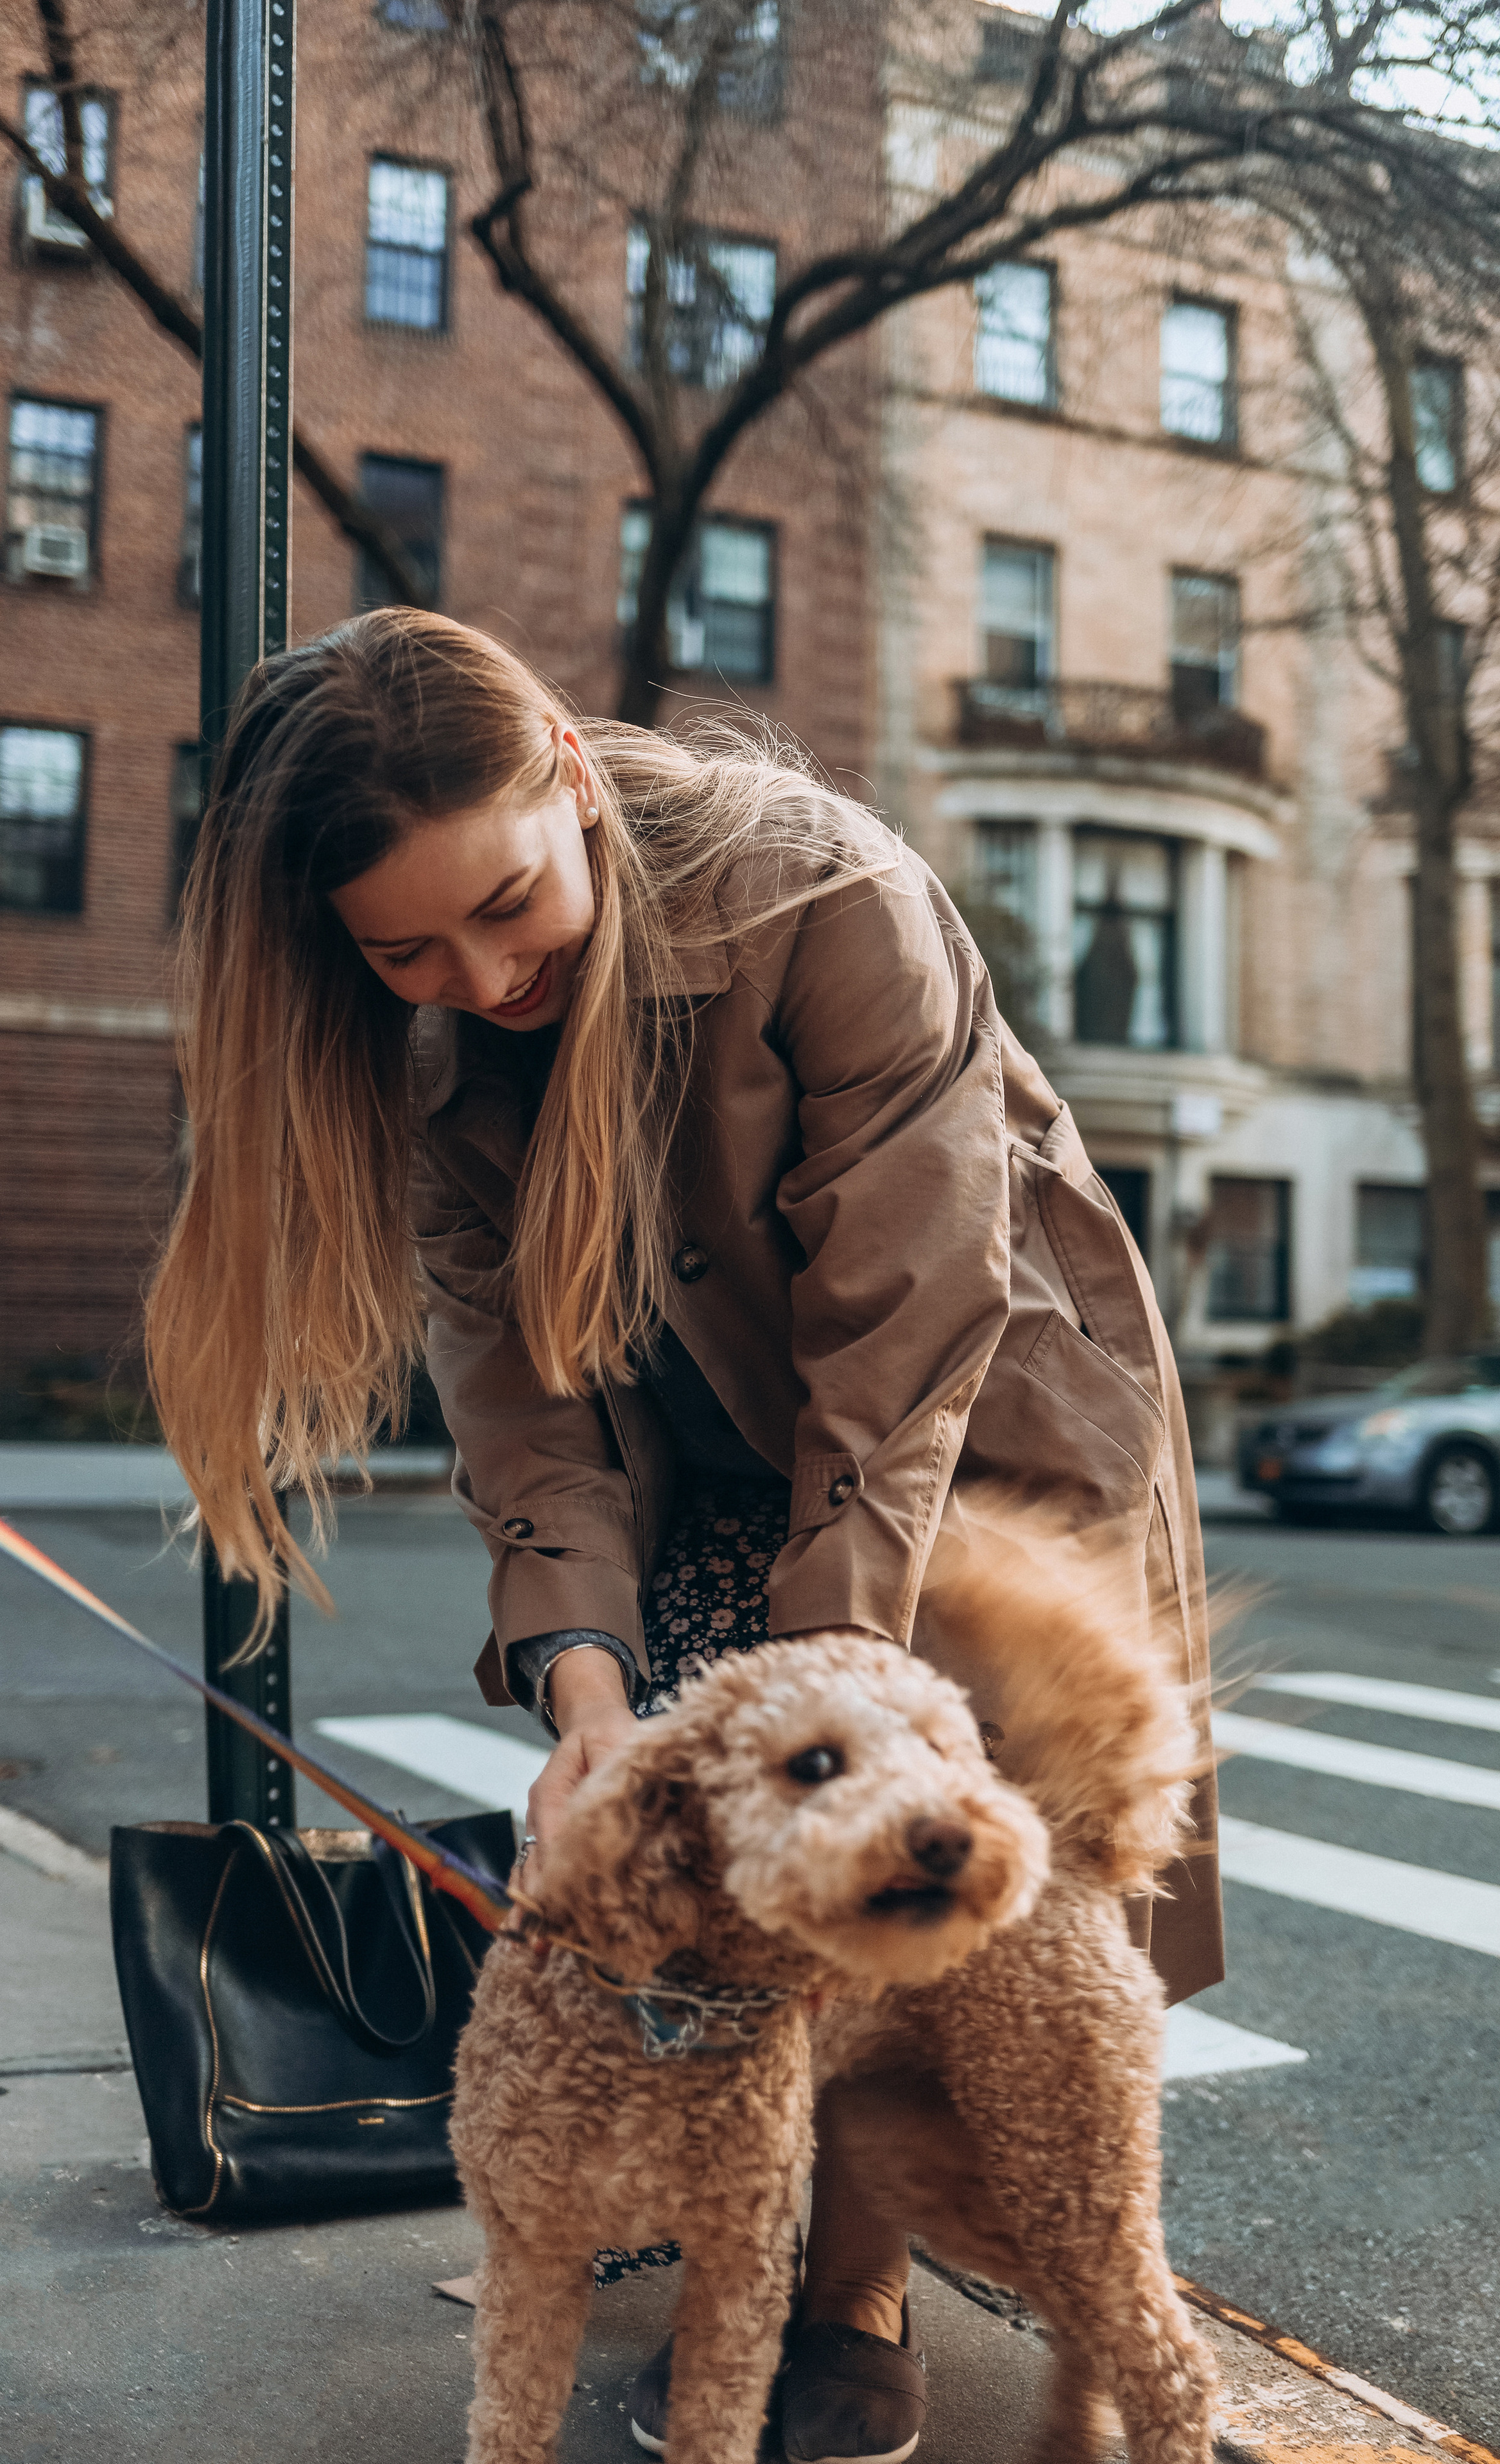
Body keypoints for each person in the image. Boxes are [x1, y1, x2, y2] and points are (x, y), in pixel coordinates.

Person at [148, 607, 1222, 2464]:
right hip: (700, 1439)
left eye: (510, 907)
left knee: (907, 1849)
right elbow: (521, 1404)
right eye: (407, 951)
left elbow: (902, 1332)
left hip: (970, 1421)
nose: (482, 978)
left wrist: (845, 1667)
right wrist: (585, 1689)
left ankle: (850, 2285)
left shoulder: (819, 892)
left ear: (571, 774)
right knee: (718, 1837)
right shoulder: (413, 1051)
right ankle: (754, 2216)